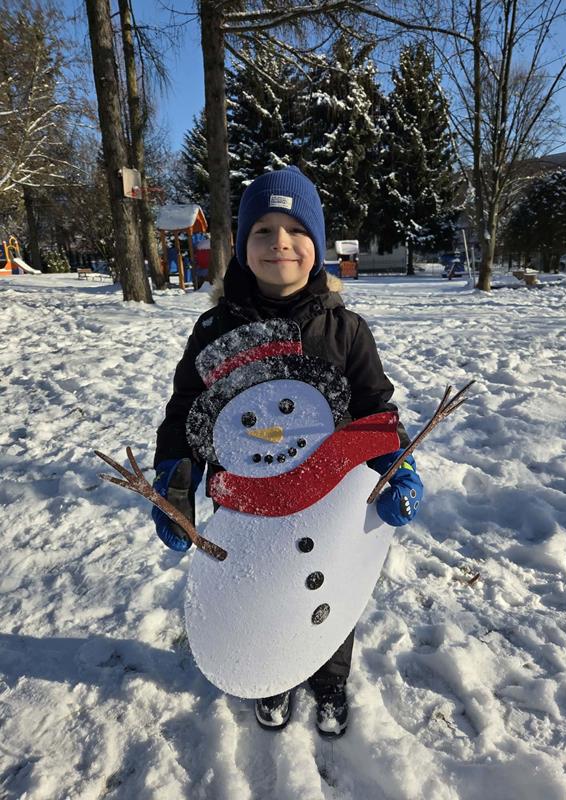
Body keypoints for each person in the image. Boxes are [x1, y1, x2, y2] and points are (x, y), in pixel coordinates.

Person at [152, 166, 424, 738]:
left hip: (331, 497)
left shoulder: (345, 329)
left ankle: (329, 677)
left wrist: (398, 467)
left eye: (297, 230)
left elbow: (375, 408)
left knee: (326, 583)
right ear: (241, 246)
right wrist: (175, 479)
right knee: (262, 587)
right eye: (263, 231)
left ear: (317, 246)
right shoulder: (213, 328)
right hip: (246, 499)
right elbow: (185, 413)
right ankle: (272, 673)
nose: (280, 242)